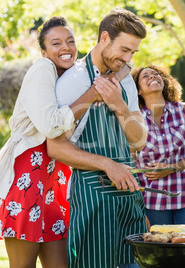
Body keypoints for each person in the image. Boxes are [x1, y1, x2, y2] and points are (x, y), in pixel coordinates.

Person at [0, 16, 106, 268]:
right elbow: (49, 125)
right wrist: (91, 95)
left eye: (70, 41)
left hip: (55, 176)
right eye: (56, 43)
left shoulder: (68, 78)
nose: (65, 47)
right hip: (29, 172)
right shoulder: (42, 68)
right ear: (44, 51)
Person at [46, 8, 148, 268]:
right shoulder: (73, 81)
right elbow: (56, 147)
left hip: (128, 198)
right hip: (93, 198)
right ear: (104, 38)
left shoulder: (125, 79)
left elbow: (139, 141)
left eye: (133, 52)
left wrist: (120, 106)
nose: (128, 59)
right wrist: (107, 164)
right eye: (124, 49)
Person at [131, 64, 185, 230]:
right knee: (160, 254)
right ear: (138, 90)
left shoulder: (184, 110)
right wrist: (138, 208)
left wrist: (172, 168)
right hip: (151, 202)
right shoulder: (134, 120)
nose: (152, 76)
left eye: (156, 74)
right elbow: (131, 163)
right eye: (145, 76)